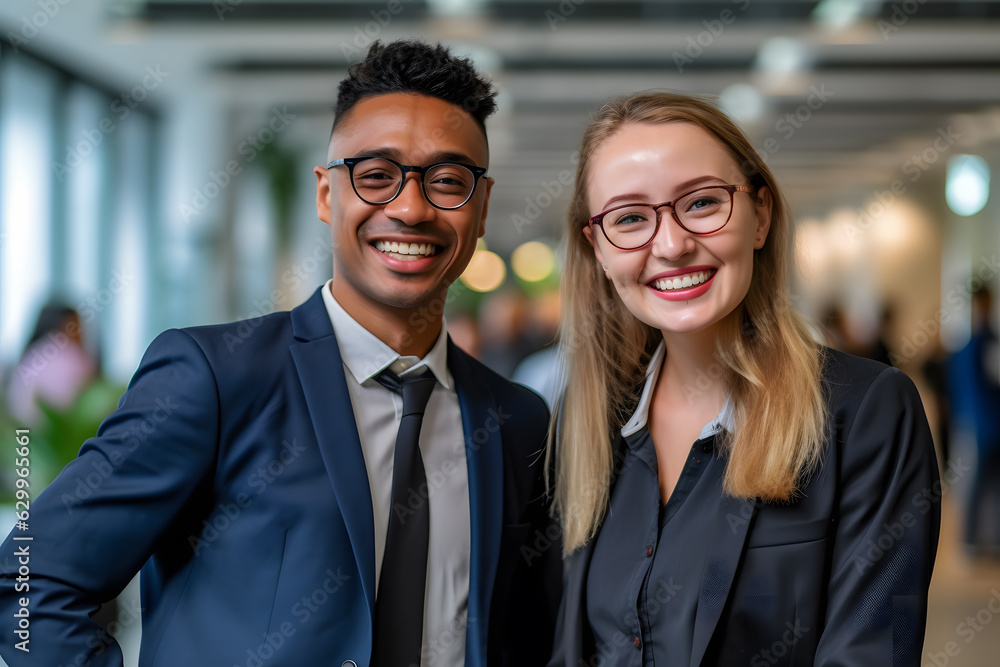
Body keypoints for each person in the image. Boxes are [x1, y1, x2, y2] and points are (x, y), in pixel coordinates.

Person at [0, 40, 559, 667]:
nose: (409, 207)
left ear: (481, 210)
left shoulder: (517, 421)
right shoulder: (217, 378)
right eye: (376, 176)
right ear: (326, 195)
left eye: (448, 182)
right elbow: (30, 582)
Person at [546, 92, 940, 666]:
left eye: (702, 203)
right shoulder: (586, 431)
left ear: (761, 215)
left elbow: (870, 650)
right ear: (598, 248)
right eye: (630, 218)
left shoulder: (864, 414)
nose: (673, 244)